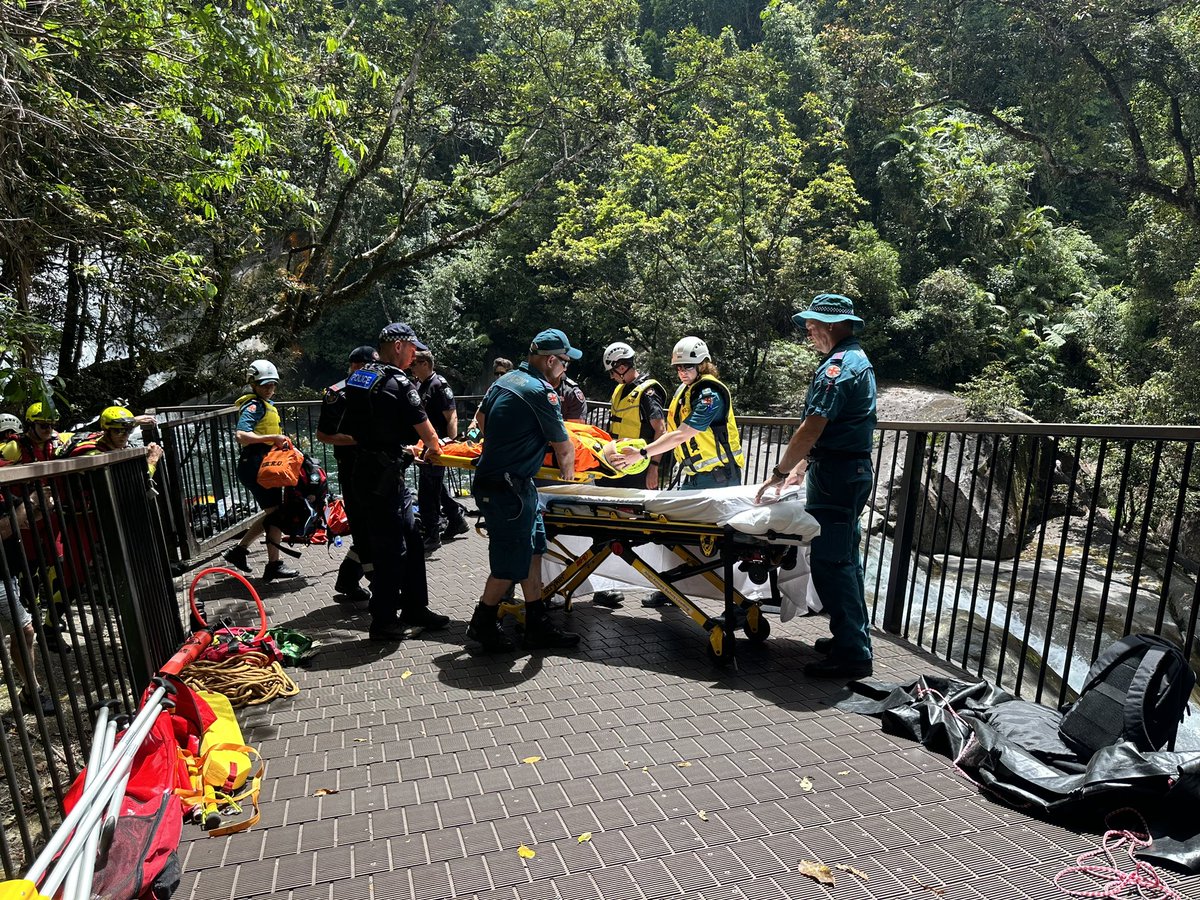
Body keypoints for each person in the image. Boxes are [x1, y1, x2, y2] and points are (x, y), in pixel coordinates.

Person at [756, 293, 877, 679]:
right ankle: (851, 636)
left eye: (812, 327)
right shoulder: (855, 361)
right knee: (846, 561)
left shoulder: (839, 367)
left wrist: (780, 470)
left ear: (833, 325)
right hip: (845, 471)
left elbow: (813, 426)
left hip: (838, 477)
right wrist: (802, 468)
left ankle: (853, 654)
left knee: (832, 563)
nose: (808, 333)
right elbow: (834, 429)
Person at [466, 328, 582, 653]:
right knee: (508, 566)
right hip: (509, 491)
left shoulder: (505, 381)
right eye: (565, 362)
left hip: (513, 485)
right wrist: (571, 482)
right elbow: (564, 449)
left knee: (533, 551)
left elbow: (481, 421)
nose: (565, 368)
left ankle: (537, 624)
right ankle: (482, 623)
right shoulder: (541, 392)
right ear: (550, 360)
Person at [338, 323, 450, 641]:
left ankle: (416, 607)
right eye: (413, 349)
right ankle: (384, 619)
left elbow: (361, 425)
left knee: (413, 539)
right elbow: (429, 435)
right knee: (392, 548)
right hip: (382, 475)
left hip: (369, 468)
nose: (415, 356)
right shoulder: (399, 381)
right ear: (398, 346)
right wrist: (438, 448)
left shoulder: (358, 378)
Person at [617, 336, 743, 489]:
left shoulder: (710, 396)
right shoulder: (685, 391)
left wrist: (641, 453)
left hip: (719, 478)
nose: (682, 372)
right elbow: (671, 434)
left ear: (702, 365)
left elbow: (681, 434)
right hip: (693, 476)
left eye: (688, 366)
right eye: (678, 367)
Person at [223, 360, 299, 582]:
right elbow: (241, 435)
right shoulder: (254, 407)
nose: (269, 389)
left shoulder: (265, 404)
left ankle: (240, 552)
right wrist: (272, 438)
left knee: (274, 514)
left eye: (272, 385)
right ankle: (271, 564)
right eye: (264, 385)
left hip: (261, 465)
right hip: (255, 465)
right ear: (253, 384)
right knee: (276, 514)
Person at [315, 345, 378, 604]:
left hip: (378, 468)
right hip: (353, 470)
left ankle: (348, 580)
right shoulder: (337, 393)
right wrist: (360, 440)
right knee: (366, 529)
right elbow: (324, 434)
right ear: (356, 366)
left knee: (371, 529)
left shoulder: (378, 388)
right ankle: (381, 587)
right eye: (370, 366)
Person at [409, 349, 470, 555]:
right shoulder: (419, 384)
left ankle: (432, 536)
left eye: (415, 364)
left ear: (425, 363)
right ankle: (456, 520)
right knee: (436, 487)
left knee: (427, 493)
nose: (411, 367)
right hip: (425, 445)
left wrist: (449, 443)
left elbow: (451, 416)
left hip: (437, 447)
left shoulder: (439, 385)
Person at [0, 484, 54, 714]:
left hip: (7, 571)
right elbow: (3, 529)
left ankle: (30, 693)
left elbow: (20, 519)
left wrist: (41, 507)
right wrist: (31, 501)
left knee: (22, 632)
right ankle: (32, 692)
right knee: (25, 631)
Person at [603, 341, 667, 489]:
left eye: (612, 372)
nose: (612, 377)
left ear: (622, 368)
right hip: (616, 461)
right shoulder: (620, 389)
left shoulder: (648, 392)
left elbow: (661, 430)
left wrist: (654, 467)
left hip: (638, 465)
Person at [58, 405, 164, 475]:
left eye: (128, 431)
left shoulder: (99, 437)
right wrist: (152, 460)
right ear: (106, 431)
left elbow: (116, 427)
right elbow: (135, 482)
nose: (124, 436)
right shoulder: (95, 455)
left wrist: (133, 421)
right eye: (119, 431)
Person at [2, 403, 71, 464]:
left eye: (53, 425)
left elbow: (80, 439)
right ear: (30, 426)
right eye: (44, 426)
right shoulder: (14, 447)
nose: (49, 430)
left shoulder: (61, 439)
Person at [467, 357, 513, 440]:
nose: (499, 376)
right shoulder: (493, 388)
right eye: (497, 373)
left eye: (502, 373)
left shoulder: (515, 390)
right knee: (471, 436)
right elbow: (482, 408)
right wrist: (474, 421)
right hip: (493, 430)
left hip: (510, 430)